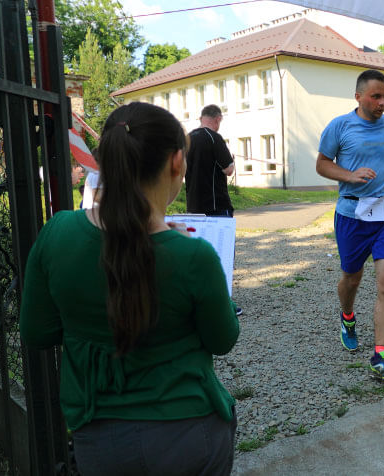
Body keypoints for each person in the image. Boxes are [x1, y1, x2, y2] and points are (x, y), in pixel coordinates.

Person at [20, 102, 240, 474]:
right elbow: (222, 340)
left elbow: (37, 331)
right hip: (190, 432)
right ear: (176, 162)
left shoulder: (57, 233)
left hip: (99, 437)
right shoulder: (193, 255)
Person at [316, 69, 384, 381]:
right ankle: (347, 315)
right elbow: (322, 164)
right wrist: (349, 175)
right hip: (352, 213)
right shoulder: (340, 126)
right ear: (358, 96)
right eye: (376, 96)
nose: (383, 102)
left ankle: (381, 354)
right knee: (352, 278)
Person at [185, 104, 235, 216]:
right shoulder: (214, 138)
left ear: (201, 118)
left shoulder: (187, 139)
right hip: (216, 206)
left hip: (193, 207)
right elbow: (228, 169)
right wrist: (231, 160)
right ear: (218, 119)